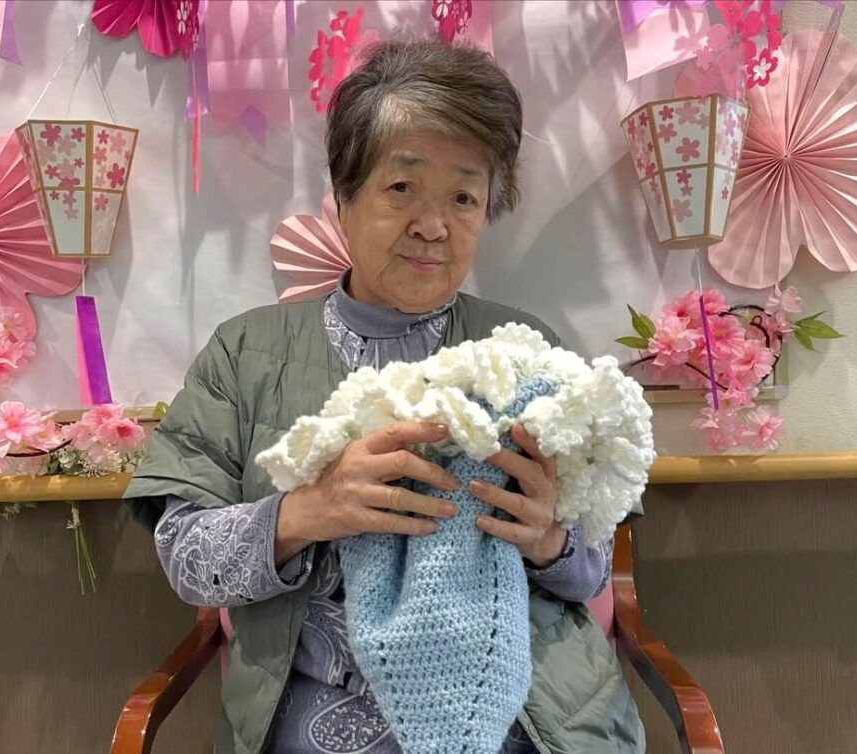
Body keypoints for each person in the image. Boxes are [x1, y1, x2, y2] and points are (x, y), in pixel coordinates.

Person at [126, 39, 644, 754]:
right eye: (402, 188)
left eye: (463, 198)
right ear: (344, 197)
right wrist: (308, 512)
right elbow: (185, 553)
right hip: (315, 717)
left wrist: (548, 540)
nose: (433, 226)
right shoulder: (245, 355)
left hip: (525, 719)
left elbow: (592, 567)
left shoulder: (528, 355)